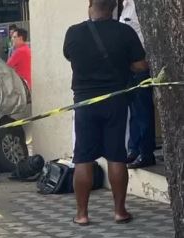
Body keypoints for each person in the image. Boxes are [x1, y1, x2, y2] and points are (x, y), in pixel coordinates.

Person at [63, 0, 148, 226]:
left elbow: (70, 57)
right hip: (116, 102)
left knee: (83, 158)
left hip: (84, 103)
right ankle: (119, 211)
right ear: (113, 8)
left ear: (90, 5)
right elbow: (141, 65)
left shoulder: (74, 33)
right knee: (116, 155)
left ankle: (82, 214)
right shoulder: (125, 32)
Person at [120, 0, 156, 168]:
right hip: (128, 67)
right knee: (134, 111)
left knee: (143, 111)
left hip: (141, 66)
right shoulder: (125, 6)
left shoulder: (139, 6)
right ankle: (133, 149)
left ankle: (145, 152)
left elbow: (148, 36)